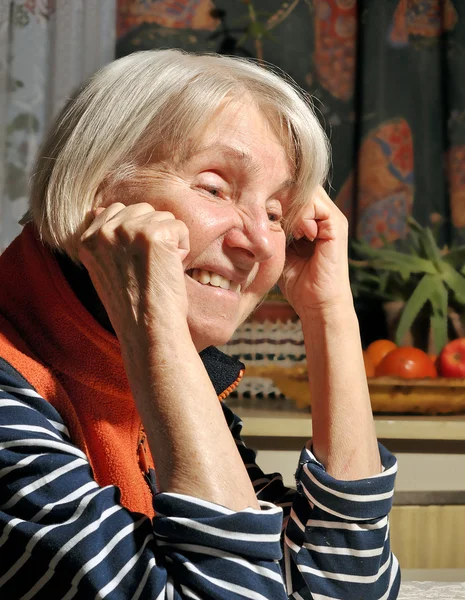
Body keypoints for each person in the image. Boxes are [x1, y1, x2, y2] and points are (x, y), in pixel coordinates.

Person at [0, 49, 400, 599]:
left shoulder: (148, 375)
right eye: (214, 187)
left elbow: (350, 587)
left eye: (278, 214)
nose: (261, 243)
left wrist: (330, 310)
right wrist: (156, 323)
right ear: (98, 186)